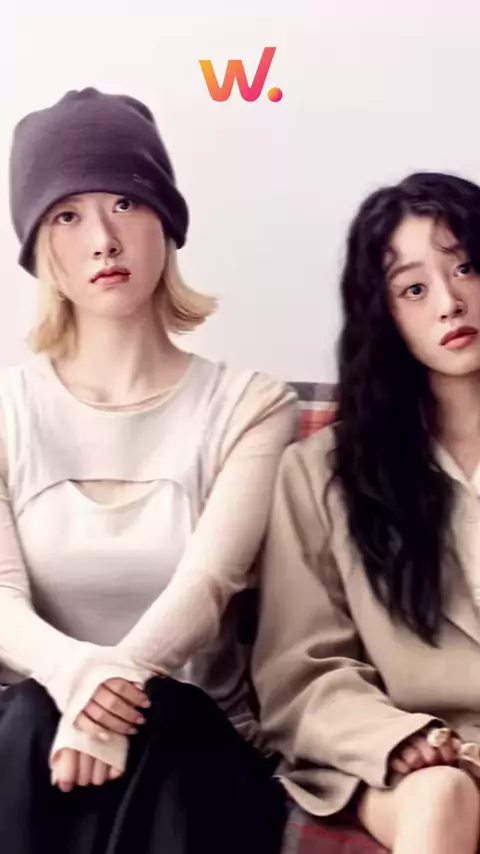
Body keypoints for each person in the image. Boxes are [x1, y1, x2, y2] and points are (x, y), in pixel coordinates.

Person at [0, 87, 296, 854]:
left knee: (169, 713)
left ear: (165, 220)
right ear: (39, 248)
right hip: (33, 749)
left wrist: (114, 687)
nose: (103, 239)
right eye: (67, 216)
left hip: (197, 754)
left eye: (125, 203)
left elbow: (207, 585)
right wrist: (78, 682)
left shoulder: (251, 406)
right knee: (28, 713)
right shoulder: (5, 411)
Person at [252, 171, 480, 854]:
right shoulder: (321, 473)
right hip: (418, 753)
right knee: (442, 796)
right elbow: (301, 671)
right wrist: (398, 737)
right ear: (385, 315)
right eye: (413, 288)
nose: (449, 302)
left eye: (466, 267)